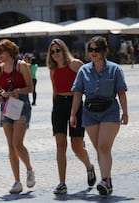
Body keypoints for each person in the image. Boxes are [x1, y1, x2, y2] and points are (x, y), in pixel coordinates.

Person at [70, 36, 128, 196]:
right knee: (99, 148)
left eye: (96, 50)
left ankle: (105, 180)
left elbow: (121, 92)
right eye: (91, 50)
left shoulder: (115, 69)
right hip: (89, 113)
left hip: (110, 110)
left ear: (103, 51)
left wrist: (125, 112)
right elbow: (77, 93)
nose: (93, 53)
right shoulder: (83, 70)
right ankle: (107, 181)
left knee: (103, 146)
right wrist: (73, 114)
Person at [46, 38, 96, 194]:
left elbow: (90, 82)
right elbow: (55, 90)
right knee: (60, 144)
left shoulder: (76, 64)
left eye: (57, 50)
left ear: (63, 49)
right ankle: (62, 183)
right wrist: (54, 109)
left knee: (76, 145)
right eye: (52, 52)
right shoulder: (52, 70)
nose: (55, 54)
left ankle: (89, 167)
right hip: (59, 106)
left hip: (76, 105)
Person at [0, 39, 35, 194]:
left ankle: (29, 170)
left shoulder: (21, 65)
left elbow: (30, 87)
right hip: (6, 106)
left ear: (10, 51)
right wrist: (2, 94)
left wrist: (17, 91)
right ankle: (17, 181)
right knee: (10, 145)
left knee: (17, 143)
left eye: (0, 52)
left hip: (21, 105)